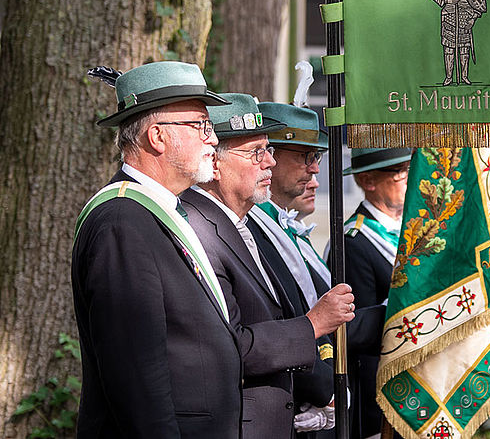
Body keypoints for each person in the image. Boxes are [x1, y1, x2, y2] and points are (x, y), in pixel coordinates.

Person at [72, 61, 242, 438]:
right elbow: (136, 379)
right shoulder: (122, 221)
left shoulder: (157, 212)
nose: (213, 140)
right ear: (158, 136)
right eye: (201, 125)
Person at [179, 93, 355, 439]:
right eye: (257, 152)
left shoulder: (238, 223)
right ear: (214, 162)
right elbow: (230, 345)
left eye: (270, 150)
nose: (269, 163)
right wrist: (312, 325)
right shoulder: (198, 228)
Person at [341, 148, 413, 439]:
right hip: (383, 400)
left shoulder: (409, 231)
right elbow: (359, 333)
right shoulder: (354, 242)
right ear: (368, 181)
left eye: (409, 169)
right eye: (399, 172)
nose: (409, 178)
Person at [429, 0, 487, 85]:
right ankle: (449, 77)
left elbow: (478, 8)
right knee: (449, 50)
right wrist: (447, 0)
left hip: (465, 24)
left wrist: (472, 20)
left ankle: (464, 76)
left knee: (464, 51)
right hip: (450, 23)